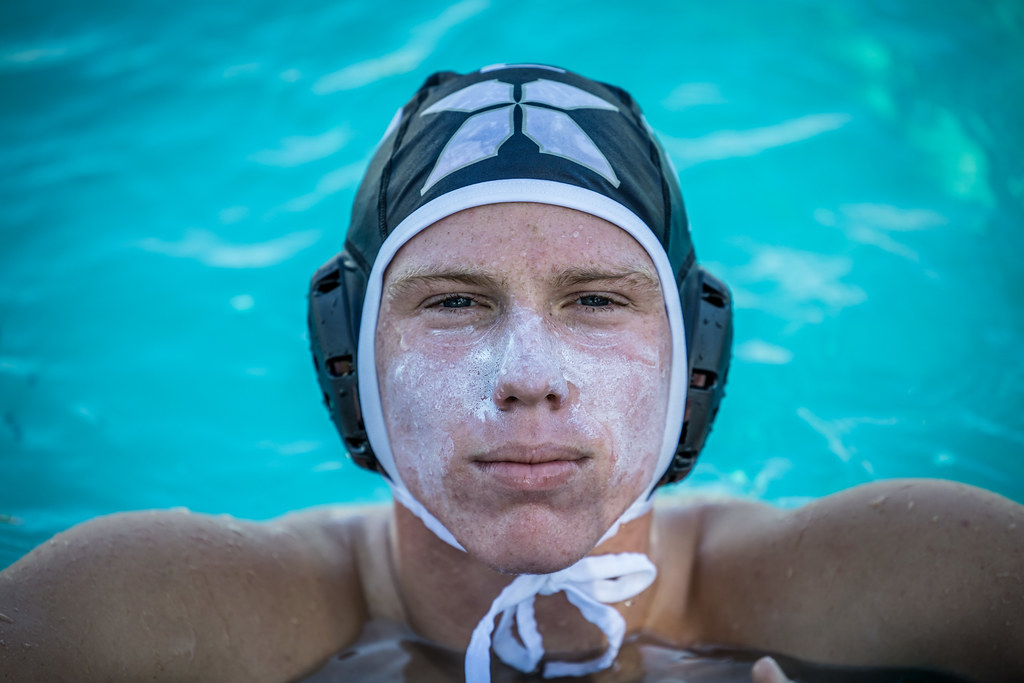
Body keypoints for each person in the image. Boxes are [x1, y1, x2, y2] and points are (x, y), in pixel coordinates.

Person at [1, 64, 1022, 683]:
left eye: (595, 299)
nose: (527, 375)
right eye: (452, 301)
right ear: (347, 363)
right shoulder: (146, 611)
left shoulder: (922, 573)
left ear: (693, 360)